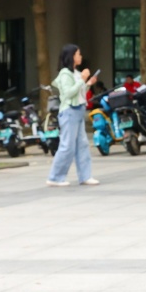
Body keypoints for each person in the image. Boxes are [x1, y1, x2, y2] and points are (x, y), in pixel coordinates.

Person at [47, 44, 100, 187]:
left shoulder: (76, 72)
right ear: (71, 57)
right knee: (67, 146)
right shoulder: (65, 73)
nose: (80, 56)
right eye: (78, 54)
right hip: (69, 112)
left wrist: (88, 83)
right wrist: (83, 79)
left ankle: (85, 176)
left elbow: (79, 92)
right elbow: (68, 93)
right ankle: (55, 177)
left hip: (78, 110)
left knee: (82, 145)